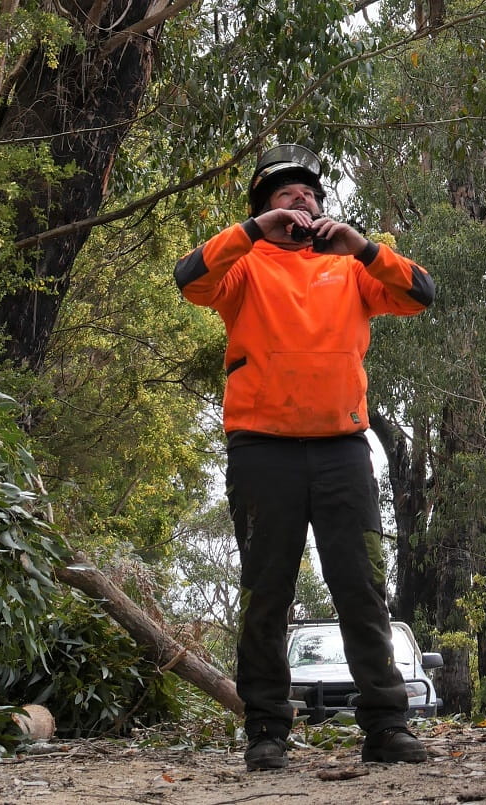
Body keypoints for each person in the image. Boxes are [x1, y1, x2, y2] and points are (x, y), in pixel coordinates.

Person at [174, 143, 436, 770]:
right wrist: (248, 234)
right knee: (267, 592)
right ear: (264, 207)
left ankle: (386, 726)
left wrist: (365, 246)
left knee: (363, 588)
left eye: (311, 192)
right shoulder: (243, 267)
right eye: (286, 193)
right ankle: (266, 729)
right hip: (262, 448)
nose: (303, 200)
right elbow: (190, 279)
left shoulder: (349, 266)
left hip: (342, 447)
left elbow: (421, 293)